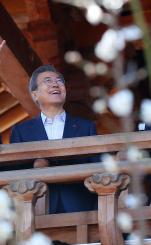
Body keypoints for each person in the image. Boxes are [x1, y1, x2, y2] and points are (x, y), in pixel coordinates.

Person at [10, 65, 100, 214]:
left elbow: (98, 169)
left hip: (81, 207)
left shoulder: (86, 127)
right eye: (47, 81)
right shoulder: (21, 131)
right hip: (37, 210)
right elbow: (13, 173)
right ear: (34, 95)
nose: (55, 84)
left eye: (59, 81)